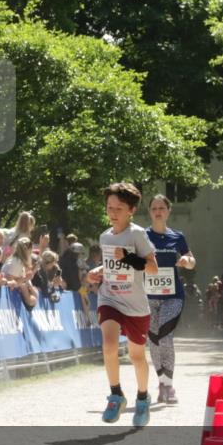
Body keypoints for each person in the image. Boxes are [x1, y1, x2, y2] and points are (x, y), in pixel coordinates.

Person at [87, 182, 158, 427]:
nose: (113, 213)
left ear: (131, 210)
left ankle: (142, 398)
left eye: (118, 208)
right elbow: (110, 267)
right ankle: (116, 395)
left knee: (137, 356)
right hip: (110, 298)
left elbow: (152, 267)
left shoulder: (137, 234)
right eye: (109, 207)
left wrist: (128, 258)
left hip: (136, 304)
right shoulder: (105, 236)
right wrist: (97, 271)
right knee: (108, 346)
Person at [144, 194, 195, 405]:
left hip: (173, 296)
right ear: (150, 211)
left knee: (165, 336)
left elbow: (192, 261)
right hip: (148, 297)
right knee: (154, 341)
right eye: (154, 208)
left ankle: (169, 385)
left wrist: (186, 260)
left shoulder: (177, 237)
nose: (158, 211)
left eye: (162, 208)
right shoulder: (142, 236)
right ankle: (162, 382)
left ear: (168, 211)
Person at [1, 236, 38, 308]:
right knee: (32, 299)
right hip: (7, 297)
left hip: (11, 295)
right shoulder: (16, 262)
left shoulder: (18, 261)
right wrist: (25, 279)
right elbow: (10, 283)